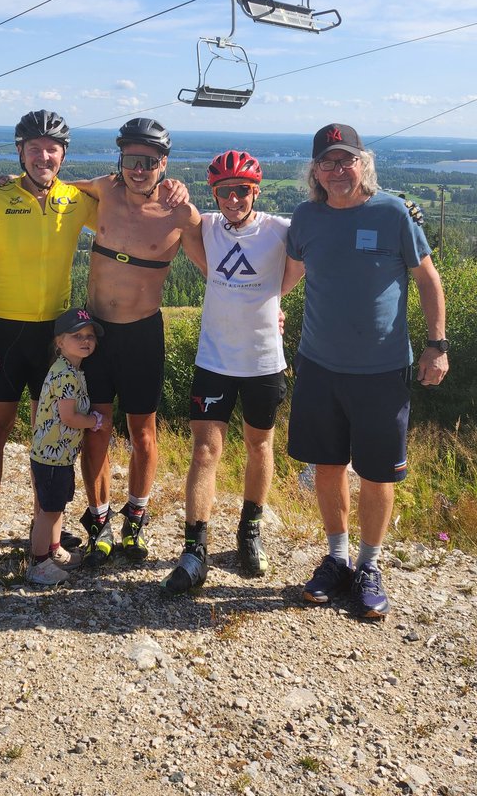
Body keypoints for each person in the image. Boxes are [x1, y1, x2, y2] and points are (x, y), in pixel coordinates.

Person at [285, 123, 449, 619]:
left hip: (382, 372)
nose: (337, 170)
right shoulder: (306, 217)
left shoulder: (393, 212)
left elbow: (428, 279)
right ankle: (337, 559)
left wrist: (437, 345)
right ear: (315, 171)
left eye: (346, 160)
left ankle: (370, 565)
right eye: (327, 163)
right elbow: (287, 277)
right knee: (328, 467)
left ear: (363, 163)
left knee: (379, 474)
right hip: (318, 366)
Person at [0, 110, 97, 568]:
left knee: (53, 431)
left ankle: (47, 525)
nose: (44, 155)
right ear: (20, 152)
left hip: (53, 337)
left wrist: (168, 186)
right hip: (4, 330)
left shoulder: (76, 200)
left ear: (63, 155)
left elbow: (127, 202)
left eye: (52, 148)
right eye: (34, 147)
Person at [163, 150, 305, 594]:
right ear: (216, 193)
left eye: (242, 190)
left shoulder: (280, 230)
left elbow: (301, 263)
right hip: (215, 360)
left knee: (260, 446)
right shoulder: (206, 225)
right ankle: (195, 549)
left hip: (264, 360)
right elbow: (183, 222)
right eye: (225, 191)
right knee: (205, 450)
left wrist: (273, 299)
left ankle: (249, 532)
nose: (233, 198)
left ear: (255, 191)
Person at [79, 118, 201, 564]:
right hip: (94, 333)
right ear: (120, 159)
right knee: (95, 429)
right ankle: (100, 521)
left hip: (143, 334)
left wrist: (272, 303)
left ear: (163, 164)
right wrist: (8, 181)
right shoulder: (104, 190)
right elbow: (49, 188)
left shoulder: (180, 213)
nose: (138, 169)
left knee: (142, 433)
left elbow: (220, 269)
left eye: (148, 161)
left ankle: (135, 519)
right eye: (131, 159)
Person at [28, 308, 105, 587]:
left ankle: (55, 550)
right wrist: (93, 421)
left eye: (90, 336)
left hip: (59, 456)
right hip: (51, 456)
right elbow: (69, 416)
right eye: (77, 336)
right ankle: (38, 564)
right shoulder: (65, 375)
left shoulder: (72, 369)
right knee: (47, 512)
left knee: (56, 507)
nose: (86, 340)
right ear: (59, 342)